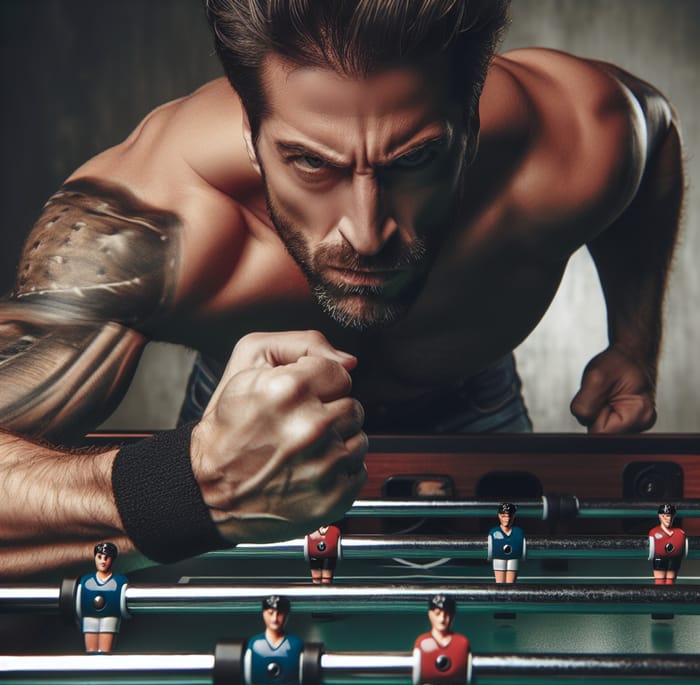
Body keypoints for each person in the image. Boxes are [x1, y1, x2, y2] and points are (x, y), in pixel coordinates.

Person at [0, 0, 684, 577]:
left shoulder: (576, 135)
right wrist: (190, 484)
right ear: (251, 131)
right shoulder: (147, 226)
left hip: (476, 415)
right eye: (309, 162)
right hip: (243, 430)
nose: (366, 231)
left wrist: (634, 340)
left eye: (413, 158)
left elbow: (654, 137)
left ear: (469, 127)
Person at [245, 595, 303, 685]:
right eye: (270, 613)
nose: (275, 619)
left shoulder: (295, 644)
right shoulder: (255, 644)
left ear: (287, 615)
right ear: (263, 613)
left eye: (279, 613)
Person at [412, 594, 470, 685]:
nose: (442, 619)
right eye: (437, 614)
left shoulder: (461, 642)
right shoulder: (422, 642)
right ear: (430, 614)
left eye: (446, 614)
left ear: (452, 615)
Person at [76, 542, 128, 653]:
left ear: (112, 559)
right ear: (95, 558)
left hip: (110, 617)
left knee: (105, 651)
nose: (103, 561)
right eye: (99, 557)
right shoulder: (86, 581)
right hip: (89, 616)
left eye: (106, 558)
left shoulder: (119, 581)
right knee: (90, 651)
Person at [487, 502, 526, 584]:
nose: (507, 519)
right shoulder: (494, 532)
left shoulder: (518, 532)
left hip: (513, 558)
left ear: (514, 516)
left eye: (509, 516)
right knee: (500, 584)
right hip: (499, 558)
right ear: (499, 516)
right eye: (503, 516)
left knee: (510, 585)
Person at [648, 504, 687, 584]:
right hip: (659, 558)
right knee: (659, 580)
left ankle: (669, 595)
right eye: (664, 516)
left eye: (670, 516)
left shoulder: (680, 533)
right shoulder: (654, 532)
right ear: (660, 516)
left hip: (674, 559)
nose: (668, 519)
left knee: (670, 580)